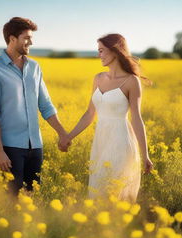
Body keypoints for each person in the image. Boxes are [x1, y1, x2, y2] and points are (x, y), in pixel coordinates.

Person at [0, 17, 71, 197]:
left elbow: (45, 105)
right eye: (27, 38)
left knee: (31, 200)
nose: (31, 42)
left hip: (36, 146)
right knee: (11, 202)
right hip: (10, 147)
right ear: (12, 39)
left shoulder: (35, 67)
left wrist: (62, 133)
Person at [65, 34, 153, 203]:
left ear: (115, 51)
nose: (99, 55)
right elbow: (90, 113)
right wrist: (69, 136)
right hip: (100, 142)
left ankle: (117, 227)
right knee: (97, 190)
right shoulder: (98, 79)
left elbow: (136, 118)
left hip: (121, 141)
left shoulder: (131, 81)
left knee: (114, 193)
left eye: (102, 50)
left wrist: (145, 155)